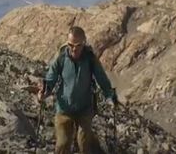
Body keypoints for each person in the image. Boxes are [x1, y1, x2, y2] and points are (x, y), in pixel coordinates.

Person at [37, 26, 117, 154]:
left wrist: (110, 96)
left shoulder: (90, 58)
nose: (74, 48)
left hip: (84, 109)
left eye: (78, 45)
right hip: (64, 109)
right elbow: (50, 78)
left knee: (84, 141)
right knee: (63, 144)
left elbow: (101, 78)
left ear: (84, 43)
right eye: (71, 44)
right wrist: (44, 92)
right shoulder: (61, 57)